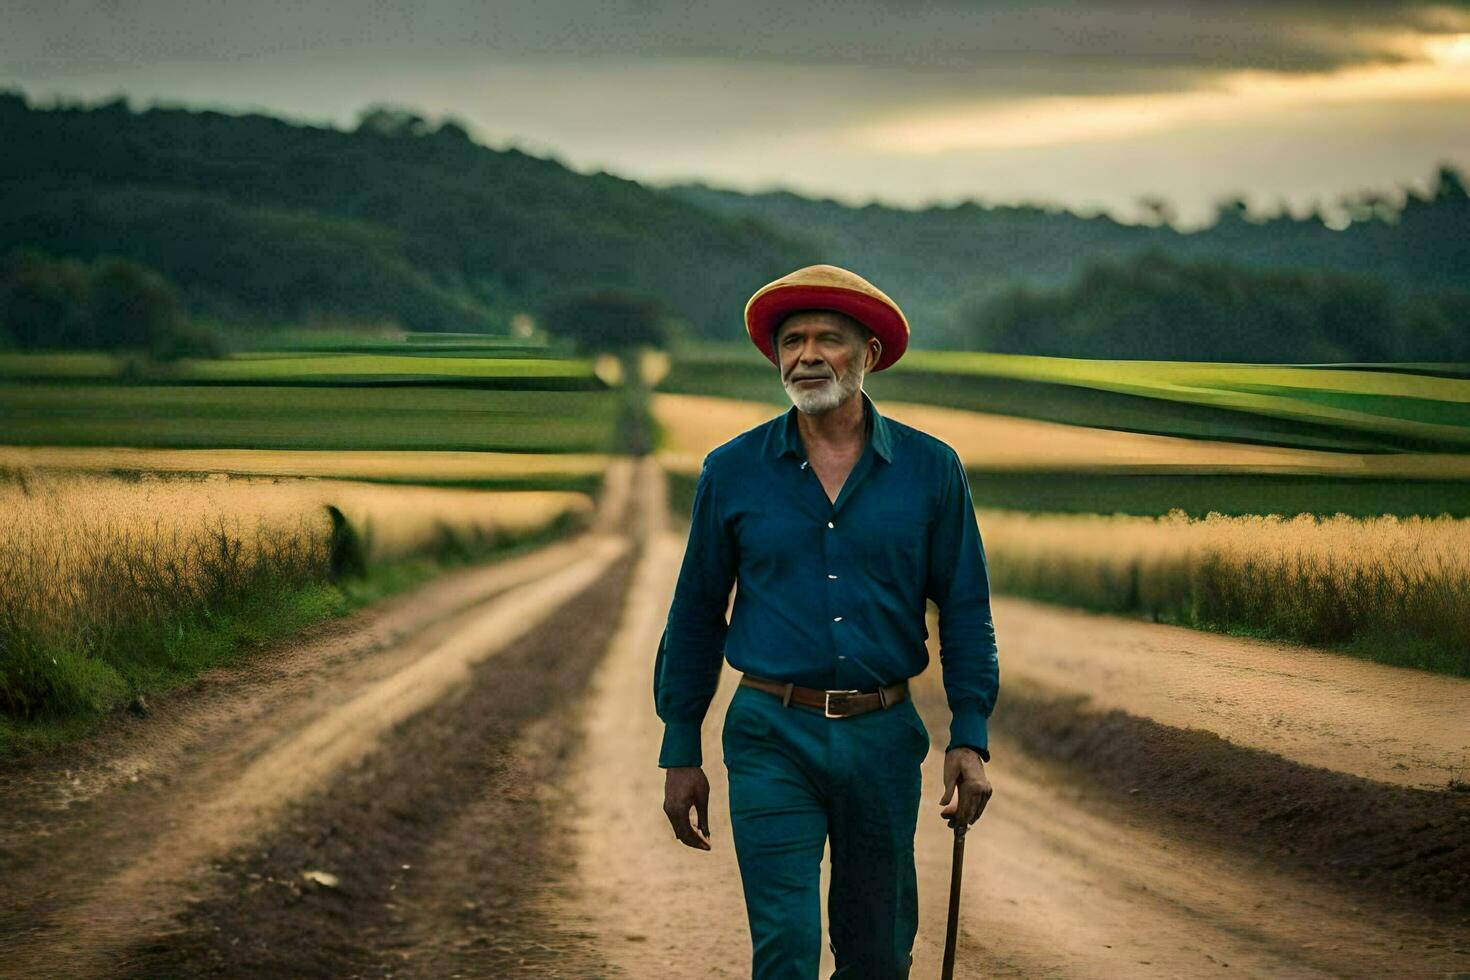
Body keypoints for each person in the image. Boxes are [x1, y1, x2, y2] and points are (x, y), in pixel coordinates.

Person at [654, 263, 1000, 978]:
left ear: (868, 353)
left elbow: (965, 608)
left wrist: (970, 735)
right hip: (770, 733)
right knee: (786, 945)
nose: (806, 355)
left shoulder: (932, 470)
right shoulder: (733, 470)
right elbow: (696, 611)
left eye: (827, 339)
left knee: (878, 954)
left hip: (882, 738)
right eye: (792, 341)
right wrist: (680, 744)